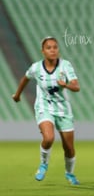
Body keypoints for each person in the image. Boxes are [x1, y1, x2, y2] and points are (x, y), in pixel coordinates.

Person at [12, 36, 81, 185]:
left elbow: (76, 86)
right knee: (48, 138)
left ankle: (69, 173)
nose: (52, 50)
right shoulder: (36, 67)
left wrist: (66, 85)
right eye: (49, 48)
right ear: (43, 51)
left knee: (69, 148)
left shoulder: (65, 66)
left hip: (63, 109)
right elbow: (25, 78)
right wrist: (17, 95)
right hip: (44, 106)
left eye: (55, 47)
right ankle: (43, 164)